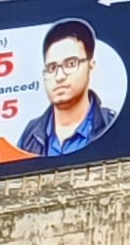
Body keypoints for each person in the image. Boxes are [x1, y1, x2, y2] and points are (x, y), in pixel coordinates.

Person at [14, 19, 115, 157]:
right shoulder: (30, 136)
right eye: (52, 67)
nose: (59, 76)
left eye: (71, 63)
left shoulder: (111, 125)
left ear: (91, 66)